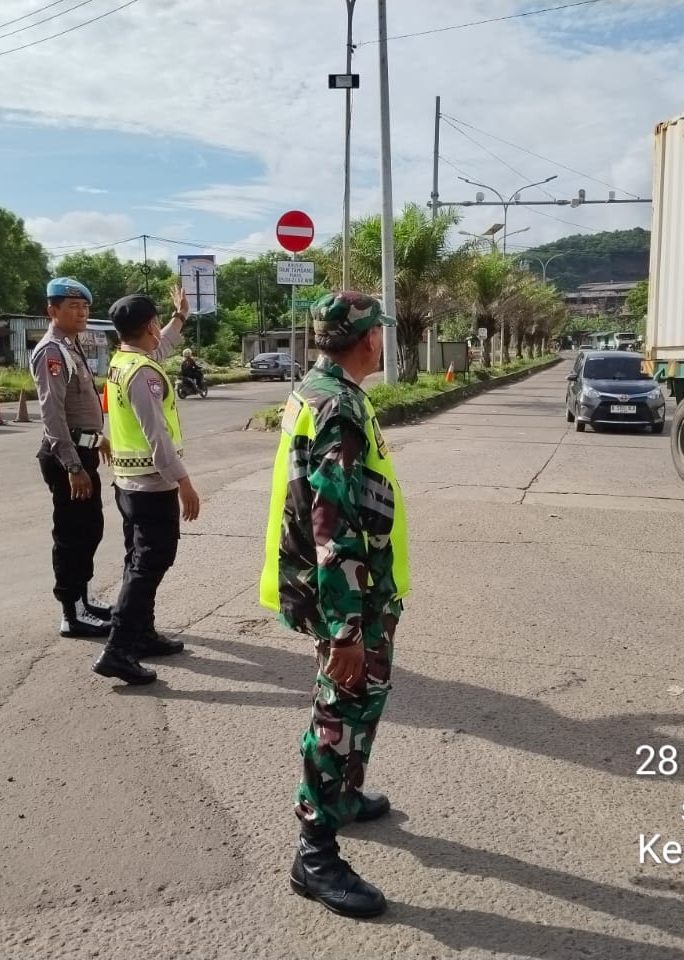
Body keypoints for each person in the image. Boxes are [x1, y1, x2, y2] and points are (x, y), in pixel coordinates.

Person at [258, 291, 410, 919]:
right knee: (340, 712)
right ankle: (314, 855)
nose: (383, 341)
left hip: (341, 585)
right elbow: (333, 520)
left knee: (358, 705)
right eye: (380, 333)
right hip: (347, 592)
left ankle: (343, 795)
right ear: (368, 338)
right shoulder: (338, 406)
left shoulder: (316, 388)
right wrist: (347, 625)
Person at [94, 291, 202, 685]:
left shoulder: (123, 362)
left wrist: (180, 316)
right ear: (150, 326)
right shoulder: (142, 373)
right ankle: (119, 649)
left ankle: (142, 633)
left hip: (128, 483)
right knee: (150, 563)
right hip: (151, 485)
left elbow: (162, 346)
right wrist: (183, 481)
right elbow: (157, 435)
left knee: (137, 560)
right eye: (158, 323)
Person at [31, 277, 114, 639]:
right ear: (52, 311)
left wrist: (98, 439)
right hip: (68, 458)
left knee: (90, 529)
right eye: (73, 307)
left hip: (83, 450)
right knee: (71, 534)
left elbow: (79, 405)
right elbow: (52, 414)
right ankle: (72, 612)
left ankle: (84, 598)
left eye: (85, 307)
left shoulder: (71, 346)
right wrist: (73, 465)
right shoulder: (51, 352)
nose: (81, 313)